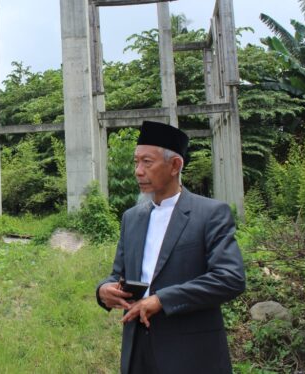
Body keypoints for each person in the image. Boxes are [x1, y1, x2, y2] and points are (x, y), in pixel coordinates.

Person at [96, 121, 246, 374]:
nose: (138, 171)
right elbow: (119, 274)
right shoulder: (131, 218)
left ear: (175, 165)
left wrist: (163, 300)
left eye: (147, 162)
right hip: (138, 352)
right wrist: (104, 290)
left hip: (190, 354)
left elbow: (230, 278)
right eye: (136, 162)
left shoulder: (209, 214)